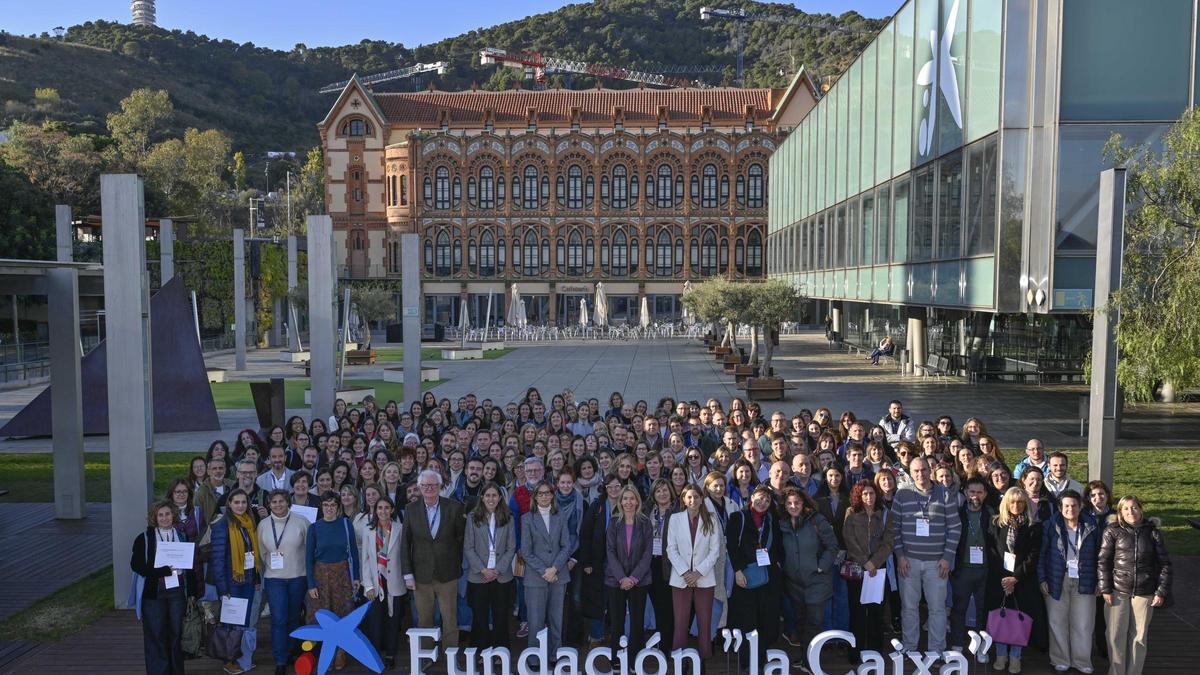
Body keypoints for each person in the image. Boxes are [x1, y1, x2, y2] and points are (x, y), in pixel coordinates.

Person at [892, 456, 961, 653]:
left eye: (923, 470)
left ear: (930, 471)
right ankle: (910, 647)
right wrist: (900, 556)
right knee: (909, 609)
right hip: (909, 562)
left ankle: (936, 650)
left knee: (937, 609)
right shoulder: (902, 494)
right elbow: (895, 528)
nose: (920, 474)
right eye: (915, 471)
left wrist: (947, 557)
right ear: (910, 473)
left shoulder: (944, 493)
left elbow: (955, 528)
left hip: (936, 563)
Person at [1098, 495, 1172, 675]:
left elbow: (1164, 564)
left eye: (1134, 507)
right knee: (1115, 636)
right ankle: (1116, 672)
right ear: (1120, 512)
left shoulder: (1153, 532)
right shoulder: (1112, 531)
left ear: (1141, 509)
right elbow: (1103, 562)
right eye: (1126, 508)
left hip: (1145, 592)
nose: (1131, 512)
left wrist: (1161, 591)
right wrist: (1105, 588)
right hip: (1118, 591)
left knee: (1139, 637)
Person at [131, 500, 200, 675]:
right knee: (156, 636)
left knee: (176, 635)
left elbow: (190, 567)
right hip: (154, 594)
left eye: (167, 514)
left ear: (173, 515)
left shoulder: (181, 536)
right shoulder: (144, 538)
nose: (164, 518)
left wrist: (192, 592)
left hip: (177, 592)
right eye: (160, 515)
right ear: (155, 517)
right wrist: (161, 571)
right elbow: (136, 565)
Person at [403, 469, 467, 649]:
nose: (429, 488)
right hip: (421, 575)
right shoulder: (411, 509)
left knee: (450, 619)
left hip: (448, 574)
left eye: (433, 485)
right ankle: (425, 656)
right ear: (420, 487)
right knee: (424, 619)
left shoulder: (454, 507)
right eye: (425, 485)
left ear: (440, 486)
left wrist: (455, 563)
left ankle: (450, 656)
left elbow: (461, 540)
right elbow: (405, 543)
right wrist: (407, 573)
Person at [1039, 489, 1101, 674]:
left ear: (1081, 506)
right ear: (1059, 507)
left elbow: (1100, 556)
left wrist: (1100, 580)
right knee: (1057, 621)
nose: (1070, 509)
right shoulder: (1051, 525)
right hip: (1057, 578)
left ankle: (1082, 661)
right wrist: (1042, 578)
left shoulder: (1092, 526)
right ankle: (1060, 659)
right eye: (1066, 505)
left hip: (1085, 579)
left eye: (1074, 505)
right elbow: (1042, 555)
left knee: (1083, 623)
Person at [778, 486, 838, 672]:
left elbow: (832, 546)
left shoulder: (817, 521)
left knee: (814, 623)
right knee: (801, 623)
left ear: (804, 502)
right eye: (789, 503)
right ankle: (805, 659)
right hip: (794, 583)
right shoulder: (782, 523)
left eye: (797, 502)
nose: (793, 506)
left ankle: (812, 662)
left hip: (817, 581)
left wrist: (821, 566)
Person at [987, 487, 1043, 673]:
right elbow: (993, 552)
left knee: (1018, 619)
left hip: (1022, 581)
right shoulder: (995, 523)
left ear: (1025, 503)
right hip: (999, 580)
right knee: (1001, 618)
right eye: (1012, 502)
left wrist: (1015, 578)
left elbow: (1032, 557)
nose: (1016, 505)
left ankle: (1015, 657)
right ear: (1006, 503)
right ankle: (1001, 654)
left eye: (1020, 502)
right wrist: (1005, 580)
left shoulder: (1033, 526)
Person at [726, 485, 783, 665]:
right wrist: (737, 570)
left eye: (767, 500)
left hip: (768, 575)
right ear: (752, 497)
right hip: (745, 574)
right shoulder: (738, 517)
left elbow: (779, 546)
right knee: (746, 619)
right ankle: (746, 660)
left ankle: (760, 658)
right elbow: (732, 546)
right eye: (760, 497)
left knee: (765, 618)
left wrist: (778, 563)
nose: (763, 502)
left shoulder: (772, 519)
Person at [305, 490, 361, 671]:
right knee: (323, 617)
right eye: (326, 505)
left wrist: (356, 577)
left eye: (333, 505)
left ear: (338, 507)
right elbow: (308, 558)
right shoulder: (314, 528)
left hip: (343, 575)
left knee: (342, 615)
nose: (329, 508)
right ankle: (326, 653)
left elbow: (353, 552)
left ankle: (341, 653)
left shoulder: (346, 524)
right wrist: (311, 584)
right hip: (321, 576)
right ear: (321, 507)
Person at [665, 484, 721, 659]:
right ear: (683, 499)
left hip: (704, 578)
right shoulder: (675, 519)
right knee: (680, 622)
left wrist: (698, 572)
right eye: (689, 497)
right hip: (681, 579)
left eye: (696, 496)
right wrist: (685, 572)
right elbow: (671, 549)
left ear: (701, 499)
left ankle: (703, 657)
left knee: (704, 622)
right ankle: (679, 656)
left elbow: (715, 551)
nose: (693, 500)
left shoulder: (711, 519)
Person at [212, 488, 264, 675]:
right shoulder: (222, 526)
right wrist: (222, 589)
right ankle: (229, 661)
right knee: (231, 624)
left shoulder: (249, 523)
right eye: (236, 502)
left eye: (244, 502)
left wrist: (257, 578)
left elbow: (254, 555)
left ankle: (241, 657)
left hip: (249, 581)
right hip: (232, 583)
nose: (240, 506)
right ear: (229, 505)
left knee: (245, 622)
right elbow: (217, 560)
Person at [843, 479, 895, 663]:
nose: (869, 496)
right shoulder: (851, 513)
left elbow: (889, 542)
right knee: (857, 612)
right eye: (864, 493)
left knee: (876, 612)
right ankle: (855, 652)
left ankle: (875, 652)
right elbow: (849, 540)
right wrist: (865, 562)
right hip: (858, 569)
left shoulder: (885, 513)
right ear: (859, 495)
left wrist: (875, 562)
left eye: (871, 493)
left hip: (877, 570)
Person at [257, 490, 308, 675]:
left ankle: (291, 651)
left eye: (281, 501)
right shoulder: (263, 525)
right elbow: (262, 552)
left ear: (288, 502)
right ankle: (280, 659)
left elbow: (309, 549)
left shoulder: (301, 522)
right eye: (274, 502)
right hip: (274, 579)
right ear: (269, 504)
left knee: (294, 617)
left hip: (298, 577)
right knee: (279, 619)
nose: (278, 505)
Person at [521, 479, 572, 656]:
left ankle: (554, 655)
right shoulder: (527, 519)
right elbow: (526, 552)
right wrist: (545, 571)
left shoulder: (561, 516)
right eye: (540, 493)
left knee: (556, 619)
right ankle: (535, 658)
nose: (544, 496)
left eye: (547, 493)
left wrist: (555, 568)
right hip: (536, 577)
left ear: (552, 495)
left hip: (558, 576)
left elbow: (567, 545)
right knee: (535, 621)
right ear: (535, 497)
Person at [464, 482, 517, 650]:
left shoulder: (508, 517)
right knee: (480, 616)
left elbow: (511, 548)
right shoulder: (473, 517)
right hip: (479, 575)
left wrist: (497, 570)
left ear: (500, 497)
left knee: (501, 616)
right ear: (482, 498)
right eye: (487, 495)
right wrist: (483, 570)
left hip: (501, 576)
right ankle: (481, 650)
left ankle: (501, 650)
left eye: (494, 495)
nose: (491, 499)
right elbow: (468, 547)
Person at [605, 486, 653, 657]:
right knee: (617, 622)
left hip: (639, 581)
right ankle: (616, 659)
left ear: (638, 501)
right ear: (620, 501)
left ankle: (635, 659)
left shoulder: (645, 523)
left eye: (632, 498)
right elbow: (610, 551)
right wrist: (622, 578)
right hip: (615, 580)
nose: (628, 502)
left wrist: (633, 578)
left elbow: (648, 553)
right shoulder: (613, 522)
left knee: (637, 622)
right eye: (625, 499)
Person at [949, 477, 995, 653]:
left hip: (985, 570)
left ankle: (981, 648)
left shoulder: (991, 514)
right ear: (966, 492)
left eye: (980, 492)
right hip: (963, 569)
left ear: (985, 494)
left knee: (983, 610)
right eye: (972, 492)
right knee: (959, 608)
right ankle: (957, 644)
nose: (975, 496)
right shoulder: (957, 514)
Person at [361, 495, 406, 669]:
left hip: (394, 580)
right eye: (380, 508)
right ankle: (375, 654)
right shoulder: (368, 530)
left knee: (393, 620)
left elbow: (404, 557)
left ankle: (390, 654)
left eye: (387, 508)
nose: (383, 511)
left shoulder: (400, 528)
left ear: (392, 510)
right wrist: (368, 585)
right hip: (375, 581)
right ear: (375, 510)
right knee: (375, 621)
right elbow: (365, 558)